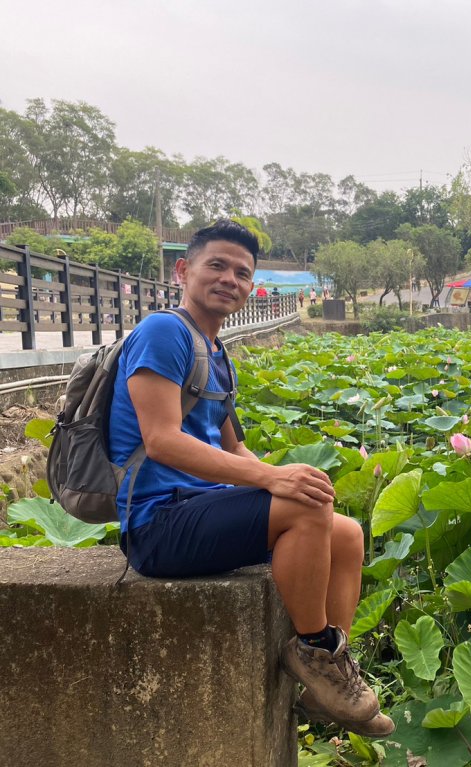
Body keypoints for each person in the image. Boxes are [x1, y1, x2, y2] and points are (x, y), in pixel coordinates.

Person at [108, 220, 393, 737]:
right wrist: (273, 480)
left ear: (251, 286)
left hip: (201, 510)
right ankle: (314, 649)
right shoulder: (163, 332)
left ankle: (327, 681)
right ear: (182, 270)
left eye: (242, 273)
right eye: (216, 265)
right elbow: (162, 440)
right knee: (305, 506)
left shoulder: (215, 354)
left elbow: (235, 448)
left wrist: (283, 477)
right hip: (157, 525)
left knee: (347, 534)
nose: (230, 279)